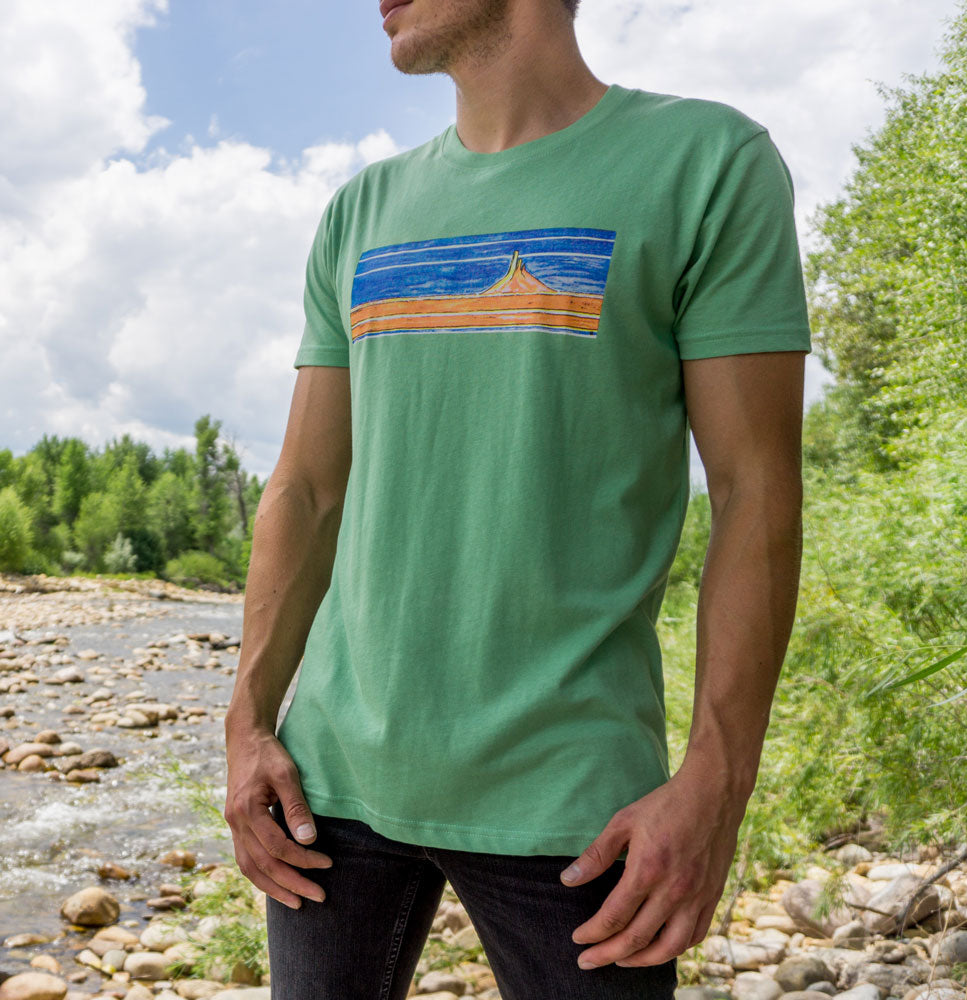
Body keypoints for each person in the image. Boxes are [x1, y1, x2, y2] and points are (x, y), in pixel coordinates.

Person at [223, 0, 811, 996]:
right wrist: (245, 725)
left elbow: (755, 493)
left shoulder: (706, 162)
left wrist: (716, 783)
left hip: (573, 805)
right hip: (329, 791)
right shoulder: (362, 207)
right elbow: (307, 490)